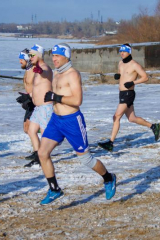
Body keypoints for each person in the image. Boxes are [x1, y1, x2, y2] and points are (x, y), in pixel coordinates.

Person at [37, 43, 117, 205]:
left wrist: (56, 97)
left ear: (66, 56)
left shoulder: (73, 74)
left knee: (86, 159)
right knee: (42, 153)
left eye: (57, 56)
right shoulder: (57, 74)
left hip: (72, 121)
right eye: (53, 56)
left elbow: (77, 100)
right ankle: (54, 189)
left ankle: (109, 178)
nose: (54, 59)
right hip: (56, 120)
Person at [98, 43, 160, 151]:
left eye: (124, 51)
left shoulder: (135, 65)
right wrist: (118, 75)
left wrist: (133, 82)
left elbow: (145, 77)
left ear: (129, 52)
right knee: (132, 118)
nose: (122, 53)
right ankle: (154, 127)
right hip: (122, 94)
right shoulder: (120, 63)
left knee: (116, 116)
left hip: (128, 94)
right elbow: (121, 73)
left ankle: (110, 143)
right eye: (120, 51)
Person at [24, 44, 53, 168]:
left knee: (45, 135)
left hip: (46, 107)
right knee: (31, 130)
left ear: (39, 55)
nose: (30, 58)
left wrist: (40, 71)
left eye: (32, 55)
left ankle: (44, 157)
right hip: (37, 108)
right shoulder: (35, 68)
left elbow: (46, 73)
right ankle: (37, 155)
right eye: (29, 56)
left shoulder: (44, 67)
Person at [16, 48, 37, 162]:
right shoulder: (27, 70)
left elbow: (40, 87)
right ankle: (38, 150)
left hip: (35, 102)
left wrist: (30, 97)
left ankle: (38, 152)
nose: (19, 62)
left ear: (27, 59)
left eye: (21, 59)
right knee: (26, 129)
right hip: (30, 101)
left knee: (30, 129)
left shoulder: (34, 70)